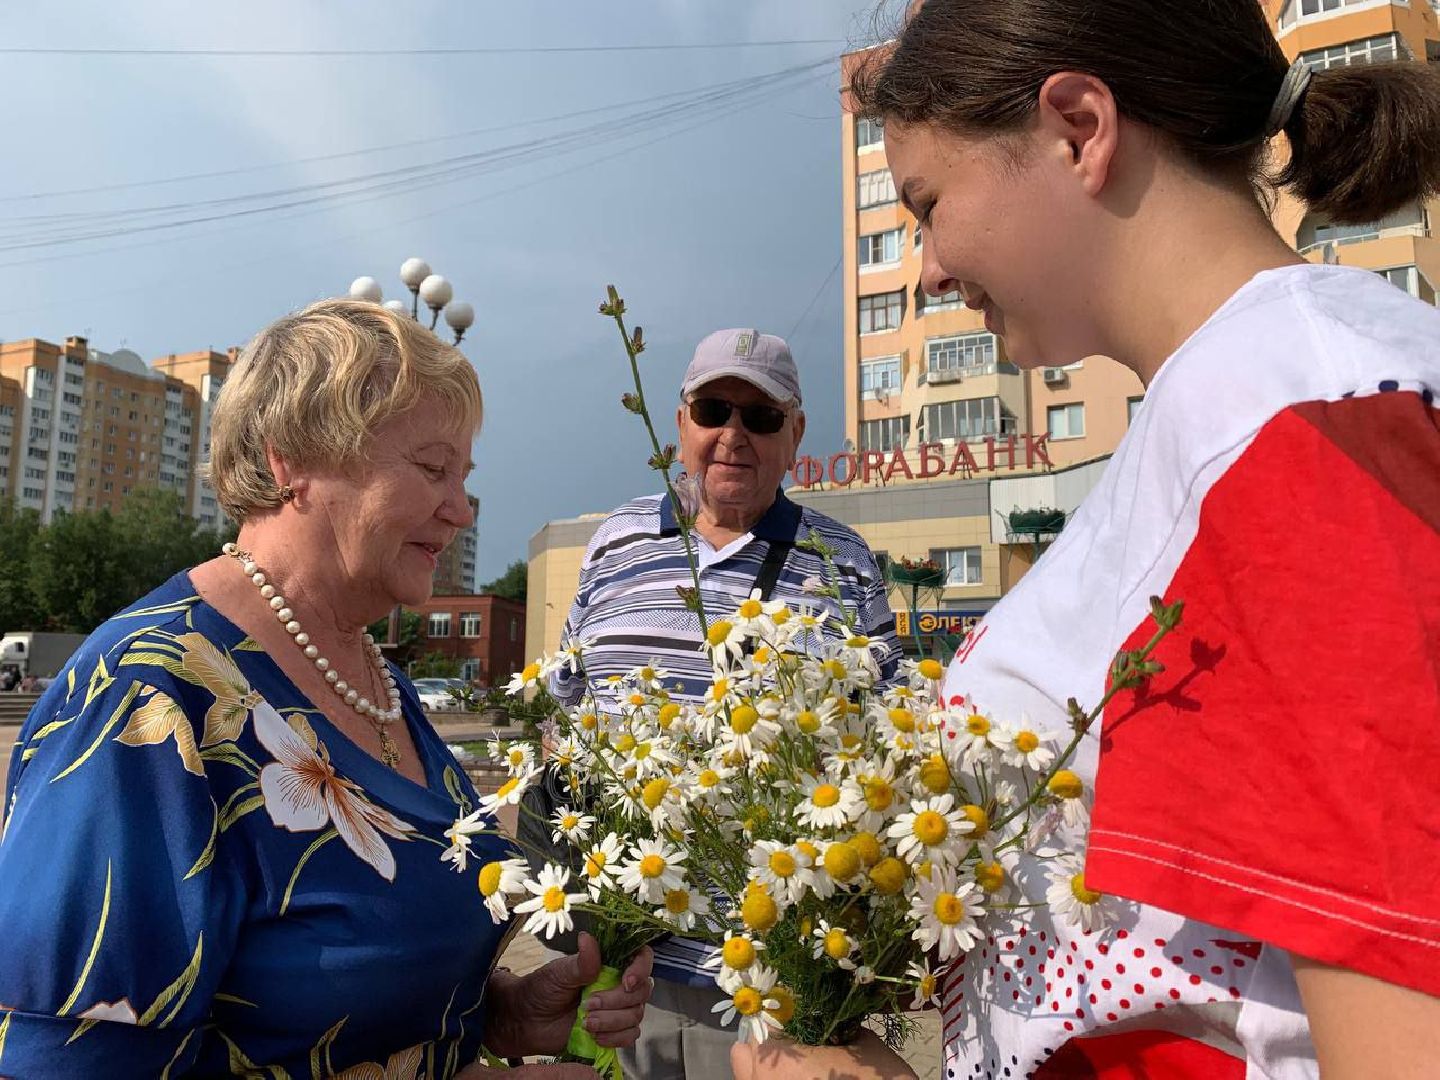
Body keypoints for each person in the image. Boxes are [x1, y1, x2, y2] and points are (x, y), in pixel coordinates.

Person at [751, 2, 1440, 1078]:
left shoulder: (1296, 419)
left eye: (927, 205)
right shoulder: (1230, 416)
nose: (928, 267)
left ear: (1078, 127)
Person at [0, 299, 652, 1078]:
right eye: (433, 467)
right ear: (291, 462)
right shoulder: (151, 697)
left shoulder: (379, 681)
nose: (461, 507)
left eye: (465, 476)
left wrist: (494, 1016)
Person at [538, 328, 904, 1079]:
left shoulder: (843, 561)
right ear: (680, 425)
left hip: (775, 984)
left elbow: (889, 742)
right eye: (713, 410)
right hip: (620, 967)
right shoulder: (615, 541)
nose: (733, 434)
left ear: (795, 434)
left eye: (761, 417)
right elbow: (565, 710)